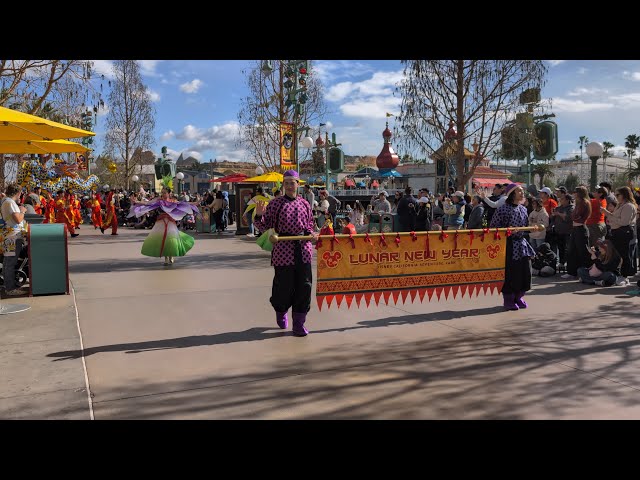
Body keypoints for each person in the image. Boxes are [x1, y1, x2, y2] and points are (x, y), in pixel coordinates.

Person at [254, 170, 318, 337]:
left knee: (304, 287)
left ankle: (299, 323)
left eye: (293, 182)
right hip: (283, 250)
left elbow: (310, 225)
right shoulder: (275, 204)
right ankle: (281, 311)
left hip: (303, 250)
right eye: (287, 182)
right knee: (283, 288)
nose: (290, 186)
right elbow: (264, 227)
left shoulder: (305, 204)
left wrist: (312, 234)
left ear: (298, 184)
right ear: (283, 184)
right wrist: (259, 216)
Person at [490, 183, 537, 310]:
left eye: (522, 191)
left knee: (525, 272)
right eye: (519, 191)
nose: (522, 193)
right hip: (509, 245)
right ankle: (509, 299)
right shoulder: (502, 209)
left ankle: (519, 297)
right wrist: (507, 231)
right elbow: (494, 228)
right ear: (512, 194)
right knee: (510, 273)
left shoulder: (523, 209)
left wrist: (532, 228)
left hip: (522, 245)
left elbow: (526, 226)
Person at [130, 186, 199, 265]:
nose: (162, 194)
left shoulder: (173, 201)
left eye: (164, 193)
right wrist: (137, 201)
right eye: (162, 192)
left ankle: (171, 256)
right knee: (163, 239)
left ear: (169, 193)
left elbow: (184, 204)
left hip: (170, 222)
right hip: (161, 223)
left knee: (171, 239)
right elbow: (147, 203)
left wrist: (195, 203)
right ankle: (166, 257)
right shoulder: (159, 200)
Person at [0, 183, 28, 295]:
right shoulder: (9, 202)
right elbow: (17, 219)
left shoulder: (6, 201)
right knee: (10, 263)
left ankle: (8, 285)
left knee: (8, 262)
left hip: (10, 235)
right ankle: (10, 288)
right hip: (12, 236)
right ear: (18, 193)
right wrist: (22, 211)